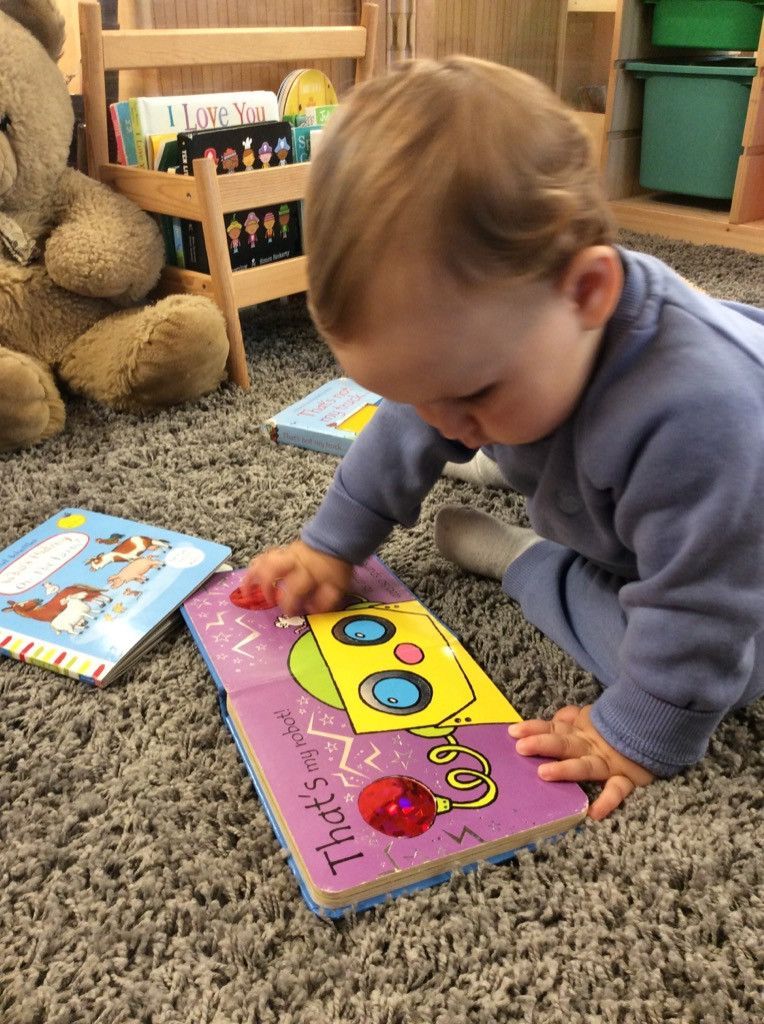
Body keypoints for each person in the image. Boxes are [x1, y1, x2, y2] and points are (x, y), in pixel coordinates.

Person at [244, 57, 764, 819]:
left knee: (717, 668)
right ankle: (501, 459)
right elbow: (410, 420)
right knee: (472, 413)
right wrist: (332, 545)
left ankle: (524, 559)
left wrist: (636, 735)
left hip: (739, 542)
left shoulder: (698, 421)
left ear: (589, 293)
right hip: (633, 469)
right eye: (415, 396)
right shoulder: (501, 347)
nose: (436, 420)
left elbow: (705, 609)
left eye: (472, 397)